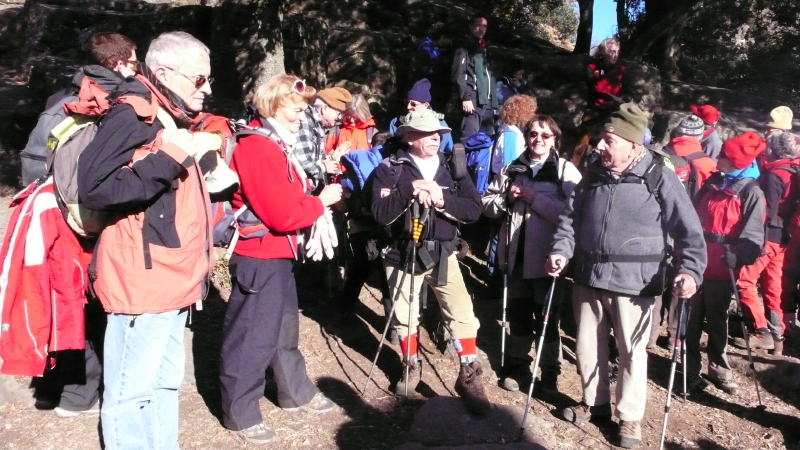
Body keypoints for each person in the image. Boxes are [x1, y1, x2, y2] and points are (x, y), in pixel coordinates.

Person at [77, 31, 216, 450]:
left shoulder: (165, 116)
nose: (207, 89)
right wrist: (170, 159)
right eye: (199, 79)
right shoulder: (132, 114)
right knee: (130, 394)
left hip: (172, 279)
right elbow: (95, 187)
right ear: (163, 73)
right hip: (143, 281)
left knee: (164, 386)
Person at [547, 103, 706, 449]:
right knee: (588, 344)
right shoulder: (593, 172)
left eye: (608, 141)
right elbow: (570, 219)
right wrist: (562, 250)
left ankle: (630, 417)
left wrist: (691, 270)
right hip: (589, 275)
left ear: (633, 144)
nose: (599, 147)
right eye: (601, 140)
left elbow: (689, 231)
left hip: (635, 283)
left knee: (633, 352)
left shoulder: (658, 175)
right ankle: (595, 403)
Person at [219, 74, 343, 444]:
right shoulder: (258, 148)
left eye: (304, 109)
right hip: (259, 256)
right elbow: (281, 215)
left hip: (277, 254)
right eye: (296, 108)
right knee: (251, 336)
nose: (301, 115)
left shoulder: (275, 143)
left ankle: (294, 391)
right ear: (273, 103)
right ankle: (239, 414)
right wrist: (321, 202)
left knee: (282, 328)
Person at [370, 108, 490, 415]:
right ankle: (411, 364)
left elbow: (474, 210)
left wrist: (441, 200)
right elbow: (381, 214)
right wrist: (408, 192)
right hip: (402, 253)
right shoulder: (389, 169)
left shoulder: (453, 168)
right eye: (427, 133)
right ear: (409, 137)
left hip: (443, 253)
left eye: (439, 133)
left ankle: (469, 374)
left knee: (461, 311)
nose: (436, 138)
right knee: (404, 315)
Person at [481, 115, 581, 393]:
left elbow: (574, 215)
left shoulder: (565, 171)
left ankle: (550, 370)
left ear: (555, 140)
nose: (538, 140)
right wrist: (507, 198)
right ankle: (518, 365)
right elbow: (487, 206)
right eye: (533, 134)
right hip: (515, 257)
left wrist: (534, 198)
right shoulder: (513, 169)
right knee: (519, 314)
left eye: (545, 135)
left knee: (548, 318)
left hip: (549, 260)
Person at [685, 132, 766, 396]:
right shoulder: (712, 183)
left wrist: (740, 256)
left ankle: (719, 370)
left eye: (722, 156)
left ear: (734, 161)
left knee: (717, 321)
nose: (716, 158)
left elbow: (754, 237)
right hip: (697, 264)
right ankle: (689, 370)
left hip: (723, 267)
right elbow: (692, 218)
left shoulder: (751, 192)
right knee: (691, 320)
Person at [20, 32, 138, 185]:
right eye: (134, 64)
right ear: (120, 65)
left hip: (47, 189)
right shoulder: (120, 102)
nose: (136, 70)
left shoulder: (58, 98)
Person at [735, 132, 800, 356]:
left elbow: (768, 211)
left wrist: (757, 238)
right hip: (785, 238)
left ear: (774, 150)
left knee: (744, 280)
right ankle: (778, 336)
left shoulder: (774, 176)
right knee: (774, 286)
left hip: (770, 237)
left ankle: (761, 330)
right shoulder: (794, 170)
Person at [572, 38, 628, 170]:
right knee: (581, 143)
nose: (615, 55)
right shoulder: (592, 68)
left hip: (613, 111)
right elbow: (588, 89)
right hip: (594, 109)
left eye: (617, 52)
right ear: (603, 51)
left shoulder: (621, 69)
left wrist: (624, 98)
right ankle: (572, 170)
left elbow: (627, 89)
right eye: (612, 52)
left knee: (611, 143)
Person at [295, 86, 353, 189]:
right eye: (338, 113)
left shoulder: (317, 124)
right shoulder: (305, 122)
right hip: (301, 188)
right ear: (325, 109)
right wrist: (325, 167)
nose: (340, 118)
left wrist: (332, 157)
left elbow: (315, 158)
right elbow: (303, 162)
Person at [452, 14, 498, 143]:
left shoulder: (484, 48)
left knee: (486, 139)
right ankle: (463, 163)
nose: (481, 29)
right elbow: (458, 74)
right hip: (473, 99)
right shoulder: (464, 47)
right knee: (468, 137)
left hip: (487, 102)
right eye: (478, 25)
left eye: (484, 26)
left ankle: (481, 163)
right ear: (471, 26)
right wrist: (465, 97)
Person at [389, 78, 454, 153]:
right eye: (407, 102)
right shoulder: (396, 122)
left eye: (413, 104)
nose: (408, 107)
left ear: (426, 105)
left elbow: (447, 150)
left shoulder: (440, 124)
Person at [664, 114, 718, 201]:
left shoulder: (660, 153)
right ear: (701, 136)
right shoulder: (708, 164)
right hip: (688, 210)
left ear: (677, 133)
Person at [490, 94, 538, 176]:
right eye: (530, 112)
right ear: (523, 114)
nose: (532, 116)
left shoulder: (507, 131)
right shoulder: (510, 135)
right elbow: (510, 166)